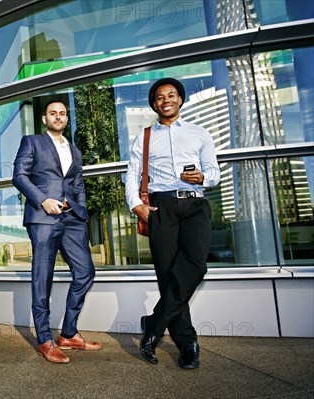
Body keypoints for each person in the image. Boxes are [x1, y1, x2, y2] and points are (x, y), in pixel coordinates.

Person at [125, 78, 221, 369]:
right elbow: (131, 173)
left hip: (194, 204)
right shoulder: (143, 137)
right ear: (154, 104)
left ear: (180, 99)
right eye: (159, 97)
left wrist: (203, 178)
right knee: (168, 274)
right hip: (161, 206)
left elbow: (214, 170)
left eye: (171, 95)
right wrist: (136, 205)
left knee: (195, 266)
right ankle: (187, 342)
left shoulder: (199, 133)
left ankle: (154, 325)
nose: (165, 99)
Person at [13, 99, 102, 364]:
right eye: (53, 113)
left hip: (72, 219)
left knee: (86, 272)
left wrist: (81, 212)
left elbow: (77, 184)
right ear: (44, 118)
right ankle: (44, 339)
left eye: (63, 114)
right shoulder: (32, 142)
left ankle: (68, 333)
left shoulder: (74, 150)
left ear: (66, 119)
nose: (58, 117)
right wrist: (42, 200)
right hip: (42, 217)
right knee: (43, 278)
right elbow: (19, 176)